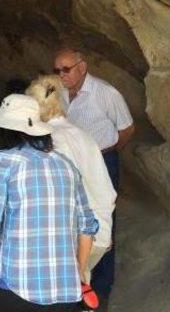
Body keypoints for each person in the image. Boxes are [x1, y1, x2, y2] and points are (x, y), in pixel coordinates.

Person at [0, 94, 99, 312]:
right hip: (65, 292)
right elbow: (87, 228)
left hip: (16, 285)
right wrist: (79, 273)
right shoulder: (66, 165)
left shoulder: (2, 161)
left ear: (4, 129)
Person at [54, 48, 134, 298]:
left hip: (102, 160)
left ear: (82, 67)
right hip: (71, 165)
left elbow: (127, 129)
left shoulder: (105, 93)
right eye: (57, 70)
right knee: (71, 219)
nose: (61, 75)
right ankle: (76, 279)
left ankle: (100, 288)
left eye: (65, 69)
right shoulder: (59, 94)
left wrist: (105, 154)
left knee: (102, 220)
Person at [27, 75, 117, 285]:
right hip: (98, 232)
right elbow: (107, 190)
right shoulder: (82, 136)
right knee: (81, 287)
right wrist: (105, 227)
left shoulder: (50, 141)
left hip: (71, 237)